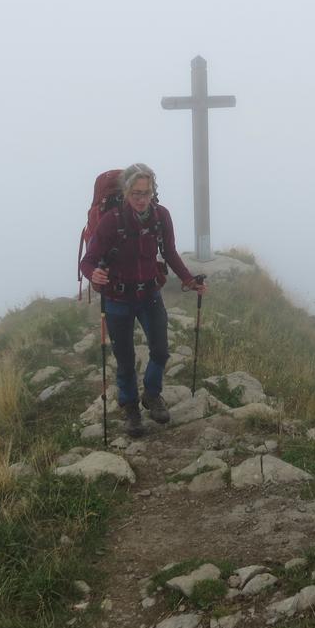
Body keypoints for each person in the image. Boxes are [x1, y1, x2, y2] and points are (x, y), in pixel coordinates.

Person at [79, 163, 207, 437]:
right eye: (135, 193)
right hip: (118, 298)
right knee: (125, 360)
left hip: (149, 293)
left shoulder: (161, 216)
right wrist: (94, 274)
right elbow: (87, 261)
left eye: (146, 193)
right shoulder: (111, 221)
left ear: (153, 192)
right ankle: (131, 409)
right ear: (126, 192)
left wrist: (188, 280)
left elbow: (169, 252)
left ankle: (151, 394)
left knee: (160, 350)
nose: (141, 199)